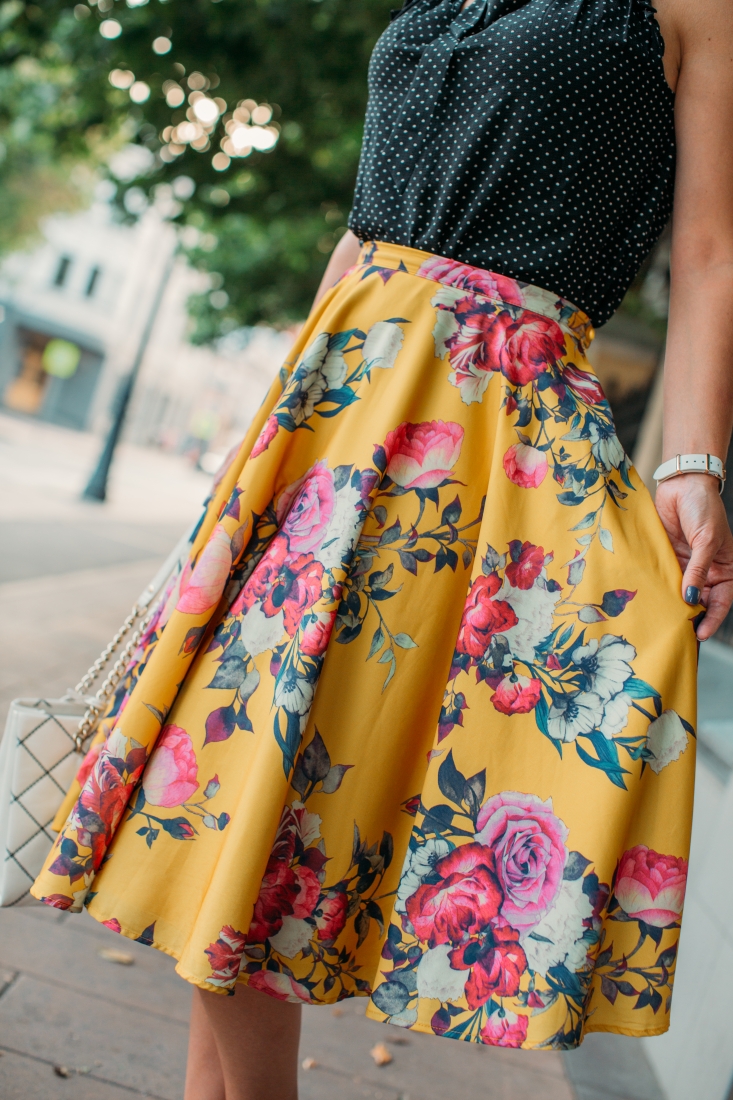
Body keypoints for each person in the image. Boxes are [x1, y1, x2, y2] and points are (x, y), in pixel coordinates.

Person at [32, 0, 733, 1097]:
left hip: (486, 432)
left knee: (286, 805)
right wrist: (269, 434)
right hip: (331, 412)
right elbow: (362, 232)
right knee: (235, 790)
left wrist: (692, 463)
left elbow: (706, 252)